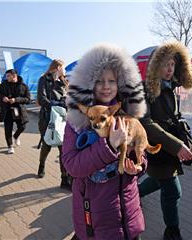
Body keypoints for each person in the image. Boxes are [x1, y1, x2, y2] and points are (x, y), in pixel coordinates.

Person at [62, 44, 147, 239]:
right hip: (96, 219)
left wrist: (137, 166)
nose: (106, 86)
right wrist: (108, 146)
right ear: (89, 83)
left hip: (129, 215)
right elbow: (72, 166)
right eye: (99, 81)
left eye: (112, 80)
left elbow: (143, 154)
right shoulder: (77, 122)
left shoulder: (129, 116)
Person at [138, 41, 192, 240]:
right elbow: (146, 123)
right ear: (155, 66)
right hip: (158, 148)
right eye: (165, 64)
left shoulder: (171, 87)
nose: (169, 69)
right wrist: (176, 145)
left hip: (169, 148)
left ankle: (132, 195)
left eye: (172, 64)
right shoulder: (145, 90)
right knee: (172, 191)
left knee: (157, 180)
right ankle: (172, 232)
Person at [36, 59, 71, 189]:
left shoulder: (64, 81)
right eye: (64, 68)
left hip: (62, 118)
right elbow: (41, 99)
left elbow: (68, 97)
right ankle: (41, 164)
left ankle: (64, 179)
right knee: (47, 144)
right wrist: (56, 104)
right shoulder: (43, 79)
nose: (65, 70)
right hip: (47, 118)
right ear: (57, 67)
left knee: (63, 148)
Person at [0, 69, 30, 154]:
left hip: (19, 110)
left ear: (14, 76)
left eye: (8, 76)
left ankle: (16, 136)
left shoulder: (24, 86)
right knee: (8, 129)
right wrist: (3, 98)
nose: (6, 78)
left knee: (23, 126)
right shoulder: (3, 85)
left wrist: (16, 100)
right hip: (7, 110)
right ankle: (10, 146)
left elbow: (28, 99)